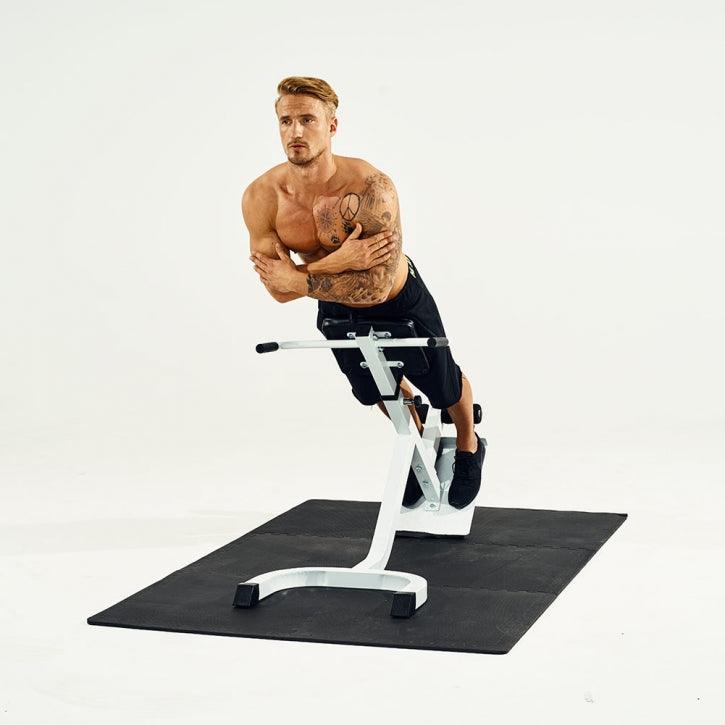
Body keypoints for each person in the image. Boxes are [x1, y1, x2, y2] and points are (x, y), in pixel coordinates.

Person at [242, 76, 484, 509]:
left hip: (398, 301)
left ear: (332, 126)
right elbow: (277, 291)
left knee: (444, 388)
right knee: (377, 391)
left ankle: (469, 443)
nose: (295, 131)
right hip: (336, 309)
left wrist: (298, 277)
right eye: (286, 121)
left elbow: (374, 285)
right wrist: (336, 262)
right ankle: (414, 442)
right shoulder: (262, 197)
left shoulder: (371, 187)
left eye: (307, 120)